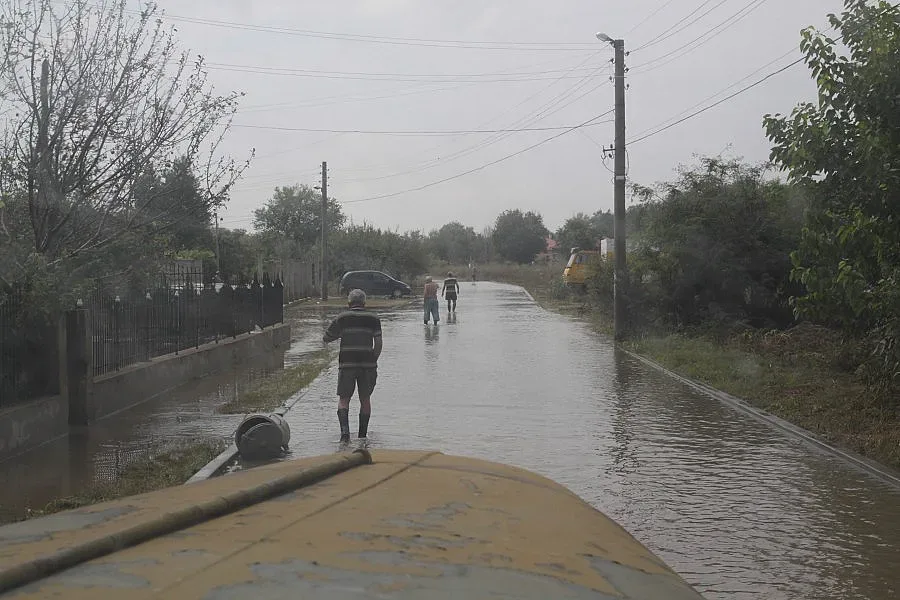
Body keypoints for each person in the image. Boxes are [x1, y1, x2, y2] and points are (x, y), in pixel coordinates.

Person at [322, 289, 382, 442]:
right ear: (364, 302)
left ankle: (345, 435)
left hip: (347, 364)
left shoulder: (342, 318)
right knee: (365, 399)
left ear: (349, 302)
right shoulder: (373, 318)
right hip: (367, 365)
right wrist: (373, 359)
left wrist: (340, 333)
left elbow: (327, 338)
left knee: (344, 399)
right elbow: (379, 343)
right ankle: (362, 436)